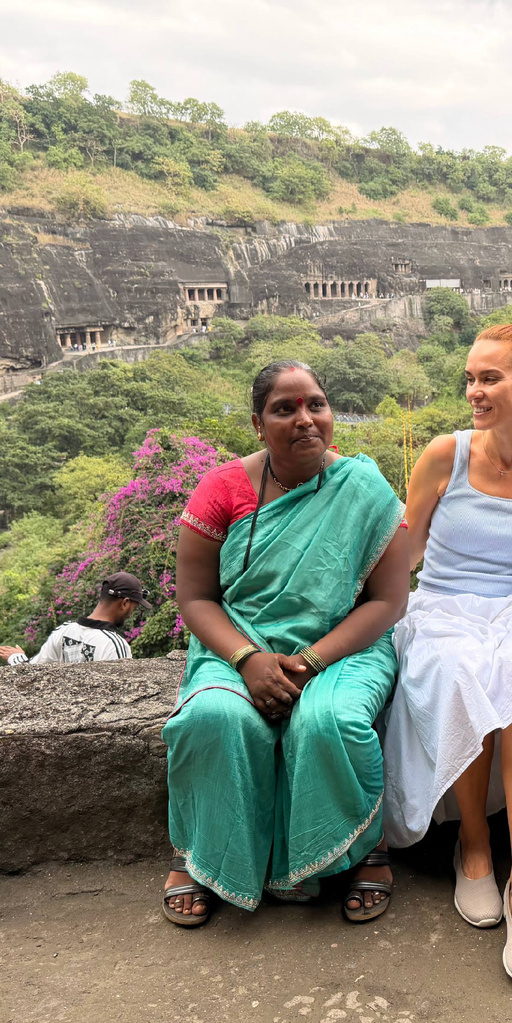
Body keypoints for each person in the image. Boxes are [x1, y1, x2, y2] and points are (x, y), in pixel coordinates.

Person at [161, 360, 408, 927]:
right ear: (257, 423)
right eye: (285, 409)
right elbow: (196, 598)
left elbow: (387, 603)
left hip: (344, 646)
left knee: (330, 722)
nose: (305, 419)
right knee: (216, 718)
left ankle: (364, 847)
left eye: (315, 405)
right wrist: (247, 660)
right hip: (240, 644)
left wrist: (311, 660)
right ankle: (198, 854)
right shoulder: (222, 488)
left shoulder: (362, 488)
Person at [381, 324, 512, 986]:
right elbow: (406, 555)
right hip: (440, 605)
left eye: (489, 378)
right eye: (470, 377)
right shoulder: (446, 454)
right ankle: (474, 844)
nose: (474, 390)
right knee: (461, 671)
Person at [0, 572, 150, 665]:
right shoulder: (115, 645)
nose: (131, 614)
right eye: (133, 608)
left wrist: (16, 657)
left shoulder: (64, 630)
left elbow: (32, 670)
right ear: (125, 603)